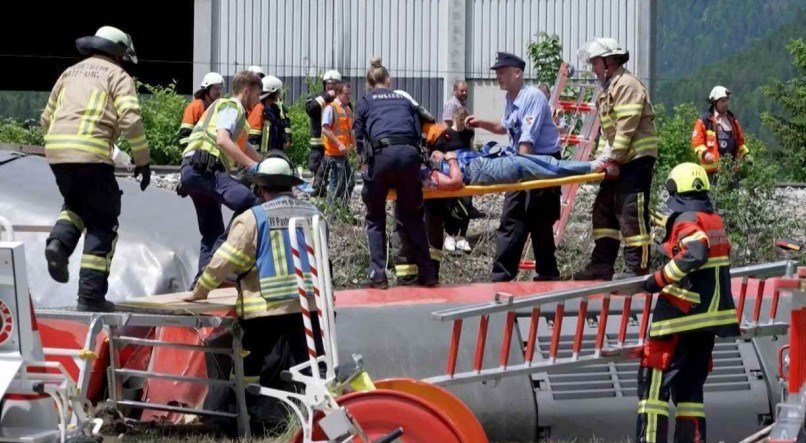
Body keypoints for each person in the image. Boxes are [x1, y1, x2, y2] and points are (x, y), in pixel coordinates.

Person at [183, 153, 324, 431]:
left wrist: (200, 290)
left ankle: (248, 422)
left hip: (264, 310)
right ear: (290, 186)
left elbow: (224, 261)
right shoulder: (314, 215)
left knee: (248, 371)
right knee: (312, 368)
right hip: (307, 307)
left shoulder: (253, 218)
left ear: (261, 188)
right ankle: (315, 421)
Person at [41, 25, 150, 312]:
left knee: (76, 203)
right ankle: (90, 297)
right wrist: (142, 160)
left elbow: (45, 118)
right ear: (118, 53)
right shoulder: (118, 75)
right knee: (103, 220)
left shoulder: (69, 73)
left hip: (57, 153)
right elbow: (131, 121)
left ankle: (59, 245)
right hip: (92, 154)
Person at [636, 162, 739, 443]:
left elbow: (695, 252)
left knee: (652, 391)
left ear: (674, 189)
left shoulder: (686, 220)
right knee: (690, 394)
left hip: (679, 317)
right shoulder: (713, 219)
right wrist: (668, 243)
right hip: (709, 321)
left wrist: (658, 279)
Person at [466, 51, 563, 282]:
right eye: (497, 73)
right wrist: (482, 123)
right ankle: (501, 276)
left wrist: (517, 174)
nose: (498, 77)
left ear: (517, 73)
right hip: (522, 162)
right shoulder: (511, 97)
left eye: (502, 72)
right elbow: (506, 127)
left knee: (540, 222)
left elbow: (527, 140)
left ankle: (547, 274)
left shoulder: (533, 97)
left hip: (540, 163)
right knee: (511, 220)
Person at [573, 38, 658, 281]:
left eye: (595, 63)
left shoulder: (627, 85)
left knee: (630, 211)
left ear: (609, 62)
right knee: (604, 209)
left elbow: (626, 129)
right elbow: (608, 134)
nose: (593, 69)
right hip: (620, 160)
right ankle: (602, 264)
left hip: (636, 160)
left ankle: (637, 268)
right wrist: (602, 161)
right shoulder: (608, 90)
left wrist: (613, 160)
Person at [353, 57, 438, 289]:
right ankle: (428, 274)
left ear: (368, 83)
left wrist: (363, 163)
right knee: (413, 218)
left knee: (375, 218)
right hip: (409, 156)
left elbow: (359, 136)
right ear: (388, 80)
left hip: (382, 158)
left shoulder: (365, 101)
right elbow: (416, 131)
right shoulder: (403, 100)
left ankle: (378, 275)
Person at [180, 71, 263, 287]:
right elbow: (223, 141)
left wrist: (267, 163)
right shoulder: (232, 106)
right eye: (257, 93)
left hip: (193, 171)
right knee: (250, 202)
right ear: (247, 91)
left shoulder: (231, 114)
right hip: (206, 169)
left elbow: (244, 146)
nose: (259, 98)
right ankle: (219, 264)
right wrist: (252, 166)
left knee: (212, 231)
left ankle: (202, 283)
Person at [433, 107, 476, 253]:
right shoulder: (446, 134)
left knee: (467, 202)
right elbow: (436, 151)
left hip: (466, 171)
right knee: (450, 204)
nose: (462, 124)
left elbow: (470, 148)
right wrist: (448, 157)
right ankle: (450, 235)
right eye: (460, 120)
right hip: (451, 171)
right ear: (454, 119)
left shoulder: (469, 133)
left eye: (465, 120)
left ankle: (462, 236)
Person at [691, 86, 751, 181]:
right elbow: (697, 143)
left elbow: (740, 143)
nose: (726, 104)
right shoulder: (704, 121)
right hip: (712, 173)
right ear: (714, 102)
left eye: (727, 100)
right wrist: (705, 154)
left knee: (732, 195)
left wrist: (746, 155)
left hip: (733, 171)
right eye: (722, 101)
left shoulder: (733, 120)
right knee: (714, 196)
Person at [306, 70, 342, 195]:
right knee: (319, 175)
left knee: (337, 175)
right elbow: (310, 109)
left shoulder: (342, 100)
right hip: (319, 145)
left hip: (336, 145)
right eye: (328, 83)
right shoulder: (317, 97)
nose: (331, 86)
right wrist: (327, 97)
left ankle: (334, 201)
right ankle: (318, 200)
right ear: (324, 84)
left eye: (334, 83)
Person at [321, 81, 355, 205]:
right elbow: (325, 129)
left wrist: (355, 149)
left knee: (349, 183)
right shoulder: (331, 108)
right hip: (334, 154)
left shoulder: (348, 110)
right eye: (346, 94)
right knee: (336, 183)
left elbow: (350, 132)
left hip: (345, 154)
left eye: (350, 94)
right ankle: (331, 212)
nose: (349, 96)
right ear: (338, 93)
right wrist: (339, 143)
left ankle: (343, 210)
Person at [247, 75, 292, 154]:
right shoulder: (259, 109)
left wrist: (286, 138)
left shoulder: (275, 109)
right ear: (273, 92)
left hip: (273, 155)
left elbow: (280, 128)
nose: (279, 94)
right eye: (278, 91)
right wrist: (258, 159)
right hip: (262, 159)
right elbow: (252, 139)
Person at [179, 72, 224, 146]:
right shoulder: (196, 106)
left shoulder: (219, 107)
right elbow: (185, 134)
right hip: (196, 152)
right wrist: (191, 152)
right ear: (207, 89)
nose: (219, 92)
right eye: (216, 88)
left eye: (220, 88)